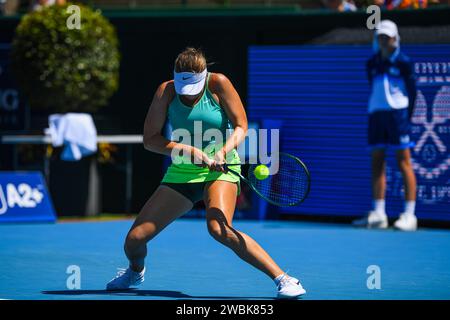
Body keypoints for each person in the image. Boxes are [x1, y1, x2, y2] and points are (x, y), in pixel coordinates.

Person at [106, 48, 306, 299]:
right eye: (183, 88)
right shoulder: (165, 91)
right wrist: (188, 151)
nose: (187, 96)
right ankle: (135, 272)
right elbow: (150, 140)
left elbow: (242, 125)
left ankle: (285, 279)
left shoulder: (219, 83)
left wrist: (223, 151)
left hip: (221, 171)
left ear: (204, 75)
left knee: (219, 228)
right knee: (134, 240)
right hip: (181, 173)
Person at [353, 20, 418, 231]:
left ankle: (409, 215)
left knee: (403, 163)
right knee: (377, 163)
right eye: (380, 37)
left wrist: (406, 116)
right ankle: (379, 213)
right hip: (376, 115)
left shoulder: (404, 62)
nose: (383, 40)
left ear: (395, 38)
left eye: (387, 37)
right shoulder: (372, 63)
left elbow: (412, 92)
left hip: (398, 115)